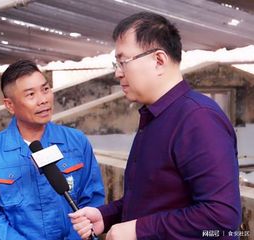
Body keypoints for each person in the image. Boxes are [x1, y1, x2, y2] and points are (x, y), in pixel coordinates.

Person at [69, 12, 241, 240]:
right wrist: (107, 215)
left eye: (123, 62)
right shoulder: (155, 117)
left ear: (159, 60)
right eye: (116, 63)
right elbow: (153, 199)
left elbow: (221, 219)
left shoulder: (198, 118)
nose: (118, 72)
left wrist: (137, 230)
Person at [0, 59, 105, 240]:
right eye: (30, 94)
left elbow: (92, 199)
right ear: (10, 105)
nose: (43, 100)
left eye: (45, 89)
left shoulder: (76, 142)